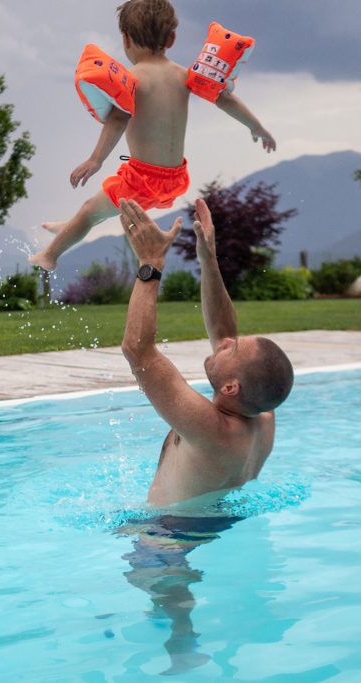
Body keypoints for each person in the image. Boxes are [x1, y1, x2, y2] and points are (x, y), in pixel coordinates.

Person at [28, 0, 276, 272]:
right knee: (99, 209)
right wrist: (256, 127)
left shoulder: (132, 79)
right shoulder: (184, 77)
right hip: (175, 179)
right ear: (172, 38)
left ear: (125, 39)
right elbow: (225, 98)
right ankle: (70, 227)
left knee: (89, 210)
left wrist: (95, 160)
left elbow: (118, 119)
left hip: (141, 179)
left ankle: (49, 256)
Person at [119, 197, 293, 507]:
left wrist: (151, 262)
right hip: (220, 519)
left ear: (230, 387)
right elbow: (225, 331)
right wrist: (208, 260)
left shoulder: (211, 429)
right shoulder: (262, 412)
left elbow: (137, 351)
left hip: (169, 540)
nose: (226, 341)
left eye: (233, 349)